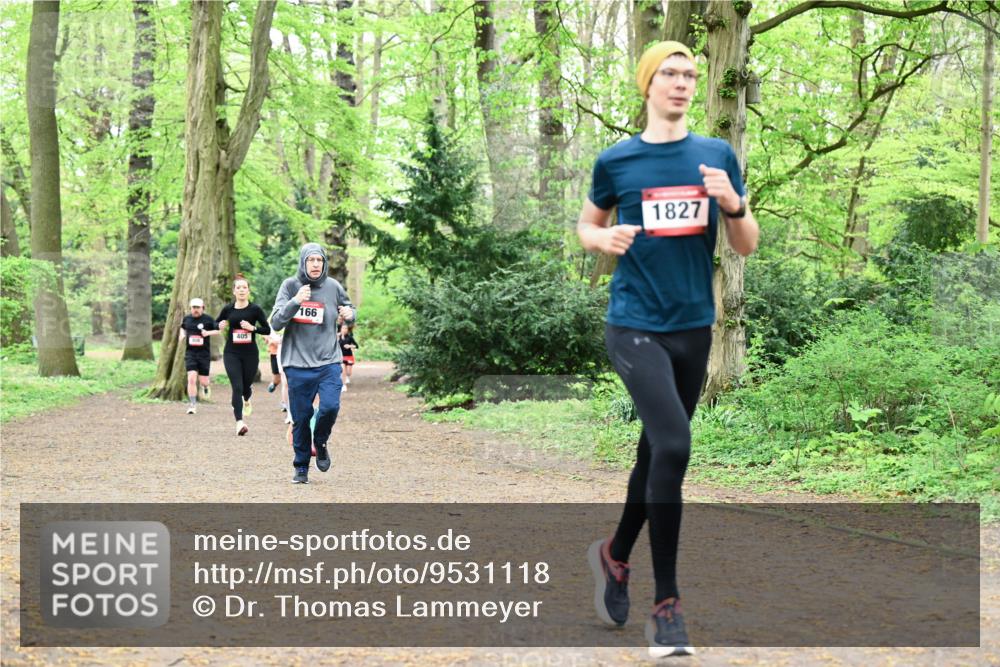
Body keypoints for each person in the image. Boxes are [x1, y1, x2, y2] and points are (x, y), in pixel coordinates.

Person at [578, 41, 758, 658]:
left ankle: (615, 555)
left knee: (655, 451)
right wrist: (603, 241)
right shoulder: (618, 161)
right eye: (669, 74)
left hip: (692, 327)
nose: (681, 83)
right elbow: (586, 225)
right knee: (676, 444)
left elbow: (747, 242)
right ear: (648, 85)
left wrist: (732, 203)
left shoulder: (716, 156)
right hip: (632, 324)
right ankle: (667, 607)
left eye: (689, 74)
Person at [270, 243, 355, 484]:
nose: (316, 264)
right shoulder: (289, 286)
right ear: (303, 262)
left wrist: (350, 314)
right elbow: (276, 322)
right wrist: (296, 300)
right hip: (297, 363)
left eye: (319, 260)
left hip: (328, 361)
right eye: (311, 260)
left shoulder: (333, 286)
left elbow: (349, 307)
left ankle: (320, 440)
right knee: (302, 416)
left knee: (329, 407)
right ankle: (301, 466)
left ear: (324, 263)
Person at [216, 274, 271, 436]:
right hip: (231, 352)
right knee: (237, 387)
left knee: (246, 387)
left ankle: (247, 399)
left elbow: (266, 329)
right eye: (238, 287)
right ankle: (239, 422)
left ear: (248, 291)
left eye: (244, 287)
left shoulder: (255, 310)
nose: (241, 290)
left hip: (250, 354)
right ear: (234, 291)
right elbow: (215, 322)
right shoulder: (228, 309)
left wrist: (252, 328)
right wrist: (219, 324)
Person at [178, 297, 220, 414]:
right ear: (190, 308)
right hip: (190, 353)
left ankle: (206, 387)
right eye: (193, 307)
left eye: (198, 307)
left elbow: (218, 330)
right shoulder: (187, 319)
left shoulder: (208, 319)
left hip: (204, 355)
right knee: (191, 378)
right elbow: (182, 328)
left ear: (203, 308)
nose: (195, 310)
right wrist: (182, 335)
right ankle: (192, 405)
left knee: (203, 381)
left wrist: (208, 333)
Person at [338, 323, 358, 390]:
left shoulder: (350, 337)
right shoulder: (337, 337)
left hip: (349, 356)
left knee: (348, 373)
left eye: (346, 328)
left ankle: (346, 376)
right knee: (343, 371)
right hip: (341, 356)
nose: (344, 330)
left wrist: (349, 346)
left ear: (347, 330)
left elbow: (356, 346)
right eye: (343, 328)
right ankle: (343, 385)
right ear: (340, 329)